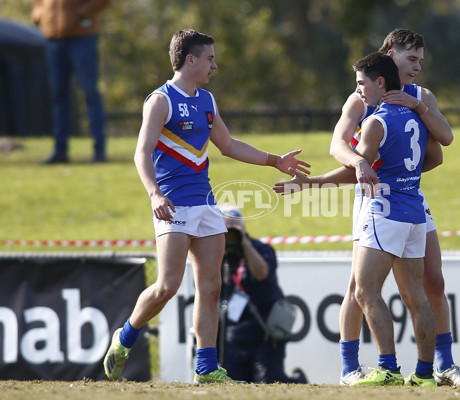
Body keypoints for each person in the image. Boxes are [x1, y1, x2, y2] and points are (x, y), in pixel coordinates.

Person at [102, 29, 310, 384]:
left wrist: (275, 160)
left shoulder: (208, 101)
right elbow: (141, 152)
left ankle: (207, 368)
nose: (215, 64)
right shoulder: (160, 100)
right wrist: (154, 193)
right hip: (173, 206)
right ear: (190, 60)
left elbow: (228, 145)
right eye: (210, 58)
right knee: (167, 286)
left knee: (211, 287)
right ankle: (125, 337)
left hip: (206, 205)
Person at [276, 28, 460, 387]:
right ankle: (350, 367)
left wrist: (413, 122)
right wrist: (360, 164)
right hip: (373, 195)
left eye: (420, 60)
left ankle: (443, 367)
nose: (416, 67)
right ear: (390, 55)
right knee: (360, 285)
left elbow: (442, 145)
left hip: (408, 195)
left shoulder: (421, 96)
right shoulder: (362, 98)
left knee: (433, 280)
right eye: (411, 58)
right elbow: (337, 144)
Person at [351, 51, 435, 386]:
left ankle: (387, 369)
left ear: (380, 82)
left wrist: (311, 183)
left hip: (386, 212)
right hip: (416, 213)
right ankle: (426, 375)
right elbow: (436, 155)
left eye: (361, 83)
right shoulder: (417, 117)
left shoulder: (375, 122)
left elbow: (357, 172)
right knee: (417, 297)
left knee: (365, 291)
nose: (359, 91)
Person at [217, 206, 308, 384]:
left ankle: (298, 382)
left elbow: (261, 274)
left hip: (264, 332)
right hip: (232, 337)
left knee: (268, 383)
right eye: (225, 230)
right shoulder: (218, 255)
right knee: (234, 387)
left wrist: (244, 243)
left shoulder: (262, 249)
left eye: (233, 230)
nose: (230, 235)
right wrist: (217, 246)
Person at [32, 0, 111, 164]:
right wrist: (39, 15)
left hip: (82, 38)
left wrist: (81, 14)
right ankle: (60, 151)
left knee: (90, 93)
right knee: (58, 96)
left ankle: (99, 150)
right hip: (53, 39)